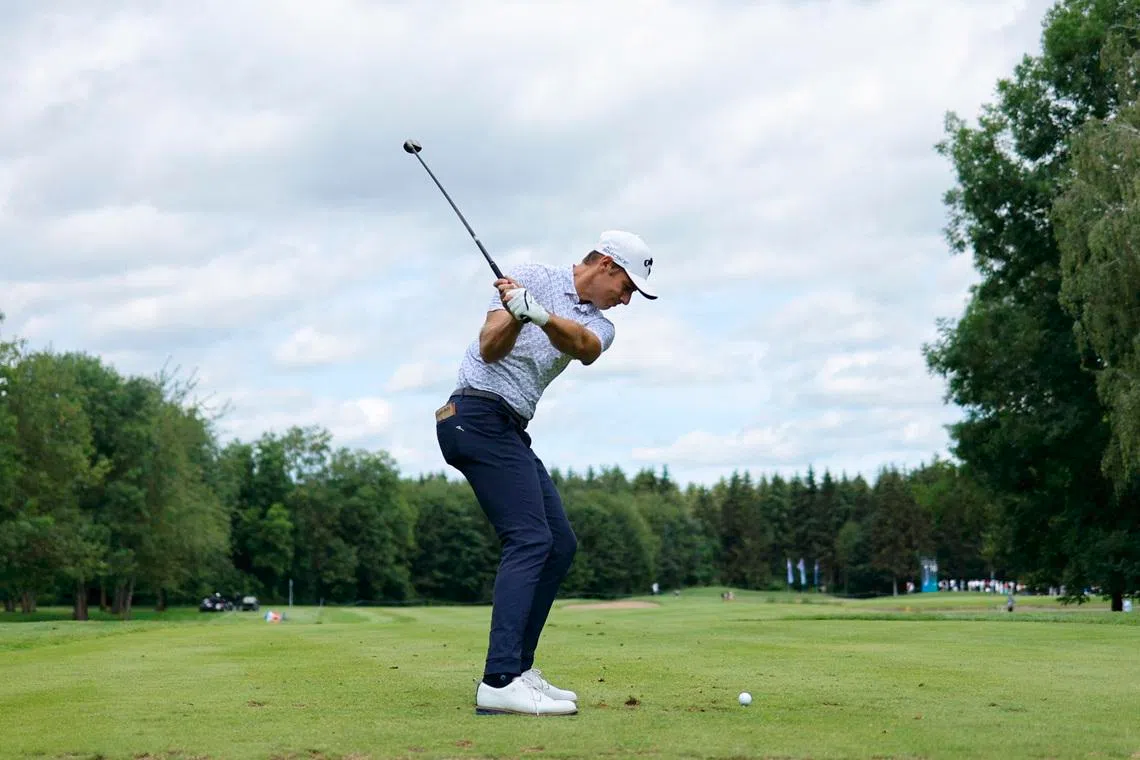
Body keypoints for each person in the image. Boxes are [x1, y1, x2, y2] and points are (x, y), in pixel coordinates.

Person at [435, 230, 658, 717]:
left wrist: (539, 314)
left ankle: (518, 668)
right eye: (626, 287)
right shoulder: (533, 276)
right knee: (530, 539)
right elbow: (490, 349)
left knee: (560, 543)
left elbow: (584, 347)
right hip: (473, 416)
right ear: (604, 264)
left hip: (509, 427)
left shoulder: (599, 324)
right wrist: (517, 314)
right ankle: (499, 681)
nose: (626, 300)